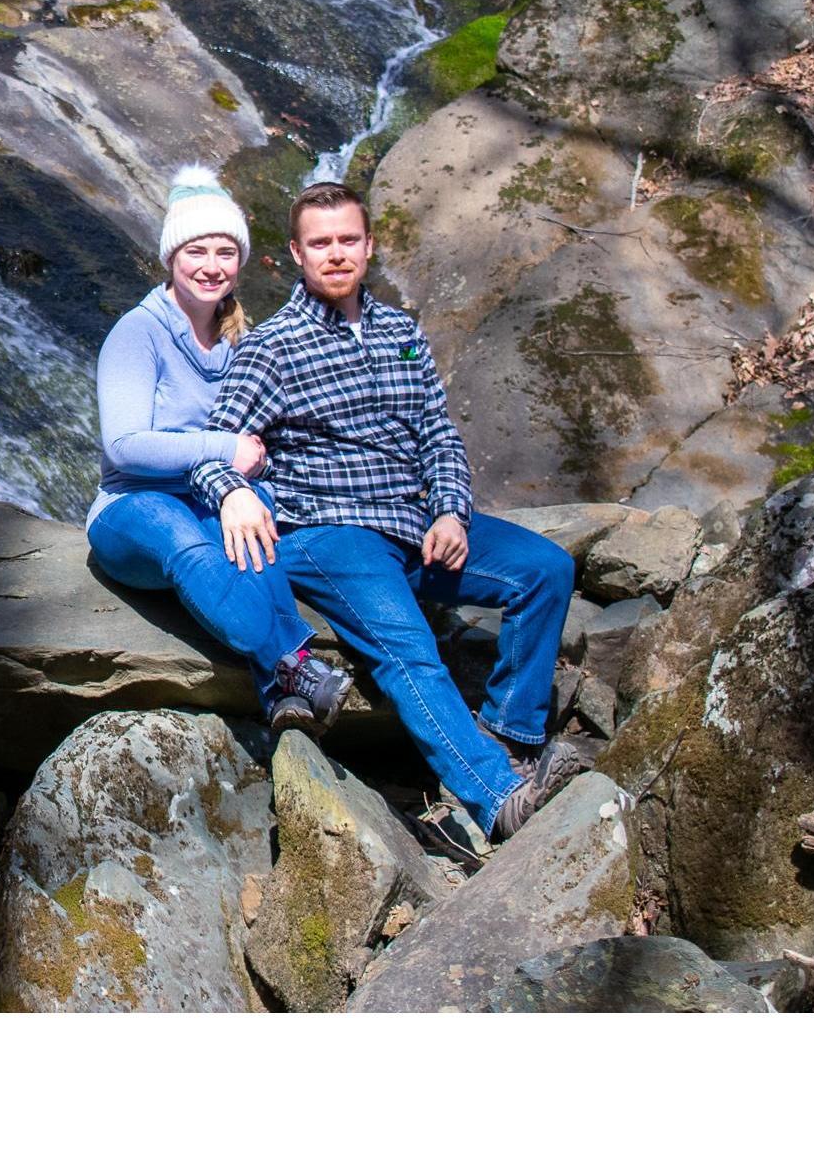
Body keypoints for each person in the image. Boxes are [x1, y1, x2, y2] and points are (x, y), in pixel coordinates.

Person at [191, 180, 585, 841]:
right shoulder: (273, 347)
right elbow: (211, 449)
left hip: (414, 524)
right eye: (321, 243)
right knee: (411, 648)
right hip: (330, 533)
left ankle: (512, 734)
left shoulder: (402, 331)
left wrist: (452, 512)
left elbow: (438, 432)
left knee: (544, 569)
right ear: (296, 253)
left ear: (369, 246)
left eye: (348, 240)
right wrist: (231, 493)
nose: (336, 254)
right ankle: (500, 801)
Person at [86, 165, 353, 736]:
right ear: (170, 258)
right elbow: (124, 446)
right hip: (130, 507)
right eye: (197, 251)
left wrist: (243, 486)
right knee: (189, 542)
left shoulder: (238, 341)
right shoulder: (138, 332)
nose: (212, 267)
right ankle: (294, 664)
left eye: (226, 252)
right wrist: (225, 449)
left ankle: (282, 693)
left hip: (211, 496)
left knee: (255, 533)